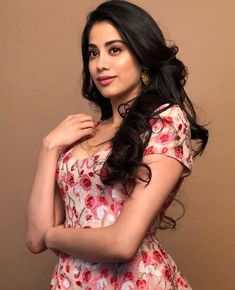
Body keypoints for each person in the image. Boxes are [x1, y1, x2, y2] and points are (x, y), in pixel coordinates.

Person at [25, 1, 208, 289]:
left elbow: (122, 243)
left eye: (115, 50)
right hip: (70, 282)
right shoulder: (83, 135)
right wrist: (49, 148)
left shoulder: (165, 121)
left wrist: (53, 236)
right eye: (93, 53)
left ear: (142, 55)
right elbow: (35, 238)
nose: (100, 64)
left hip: (133, 281)